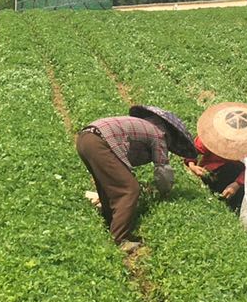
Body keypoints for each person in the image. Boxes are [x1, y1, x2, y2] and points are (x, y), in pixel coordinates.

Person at [76, 105, 195, 249]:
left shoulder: (142, 126)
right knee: (129, 189)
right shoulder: (159, 134)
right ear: (169, 134)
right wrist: (165, 191)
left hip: (85, 139)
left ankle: (110, 223)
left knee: (108, 185)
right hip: (100, 141)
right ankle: (120, 239)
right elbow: (163, 170)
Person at [188, 102, 247, 212]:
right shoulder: (214, 136)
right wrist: (192, 166)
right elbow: (192, 151)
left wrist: (237, 184)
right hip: (214, 172)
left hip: (240, 175)